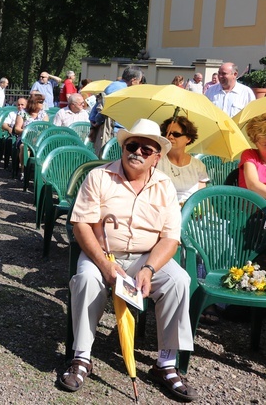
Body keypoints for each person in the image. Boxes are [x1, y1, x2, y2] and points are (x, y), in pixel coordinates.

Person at [61, 118, 197, 402]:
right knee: (86, 278)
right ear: (122, 148)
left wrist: (149, 268)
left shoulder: (165, 186)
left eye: (146, 150)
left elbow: (170, 238)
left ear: (157, 158)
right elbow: (81, 225)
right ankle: (81, 357)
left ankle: (166, 364)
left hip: (147, 257)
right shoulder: (99, 177)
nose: (137, 152)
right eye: (131, 146)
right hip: (103, 254)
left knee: (179, 280)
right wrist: (105, 264)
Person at [88, 65, 144, 157]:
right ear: (133, 80)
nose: (139, 84)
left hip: (114, 132)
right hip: (113, 134)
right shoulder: (120, 90)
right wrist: (97, 123)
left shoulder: (115, 86)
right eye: (139, 81)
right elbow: (104, 110)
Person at [157, 116, 209, 204]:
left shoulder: (198, 165)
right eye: (168, 133)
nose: (170, 137)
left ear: (188, 139)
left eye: (176, 134)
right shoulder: (156, 161)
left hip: (194, 211)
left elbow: (201, 197)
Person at [238, 113, 266, 195]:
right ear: (255, 143)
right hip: (254, 205)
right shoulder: (249, 155)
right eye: (265, 145)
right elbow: (253, 185)